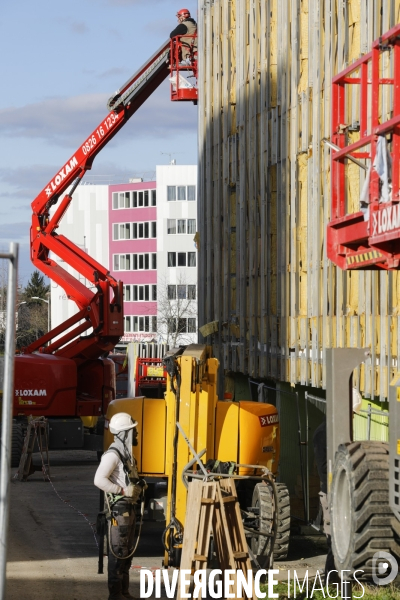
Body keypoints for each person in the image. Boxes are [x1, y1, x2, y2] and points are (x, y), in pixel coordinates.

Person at [94, 412, 145, 600]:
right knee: (118, 553)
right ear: (125, 433)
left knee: (126, 553)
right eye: (133, 431)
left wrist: (139, 487)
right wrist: (123, 491)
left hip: (128, 510)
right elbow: (98, 480)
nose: (136, 434)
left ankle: (123, 592)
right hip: (119, 511)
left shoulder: (126, 456)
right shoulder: (113, 455)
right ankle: (115, 595)